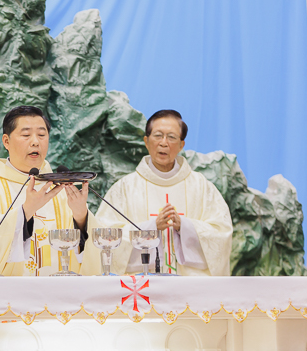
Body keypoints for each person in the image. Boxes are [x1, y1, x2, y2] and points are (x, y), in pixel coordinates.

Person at [0, 106, 96, 276]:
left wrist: (81, 216)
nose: (35, 142)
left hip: (59, 290)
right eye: (26, 135)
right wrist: (26, 211)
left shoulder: (61, 188)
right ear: (6, 141)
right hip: (9, 291)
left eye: (41, 135)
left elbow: (92, 250)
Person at [96, 110, 233, 275]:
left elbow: (221, 235)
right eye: (158, 135)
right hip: (141, 285)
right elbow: (105, 236)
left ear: (181, 145)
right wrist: (151, 227)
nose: (164, 143)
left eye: (172, 137)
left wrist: (184, 226)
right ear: (146, 141)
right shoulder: (124, 188)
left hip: (190, 286)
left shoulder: (202, 187)